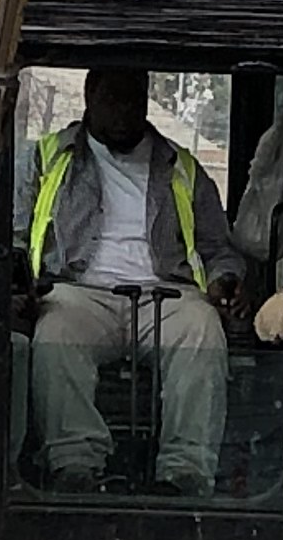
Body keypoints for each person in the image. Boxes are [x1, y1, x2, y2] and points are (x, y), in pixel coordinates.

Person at [22, 64, 244, 494]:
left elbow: (219, 248)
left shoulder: (182, 167)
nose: (124, 112)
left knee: (202, 328)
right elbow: (14, 233)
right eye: (112, 100)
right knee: (55, 331)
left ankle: (184, 474)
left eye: (134, 100)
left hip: (168, 294)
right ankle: (76, 468)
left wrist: (224, 279)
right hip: (79, 292)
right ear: (89, 98)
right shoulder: (48, 157)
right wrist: (18, 283)